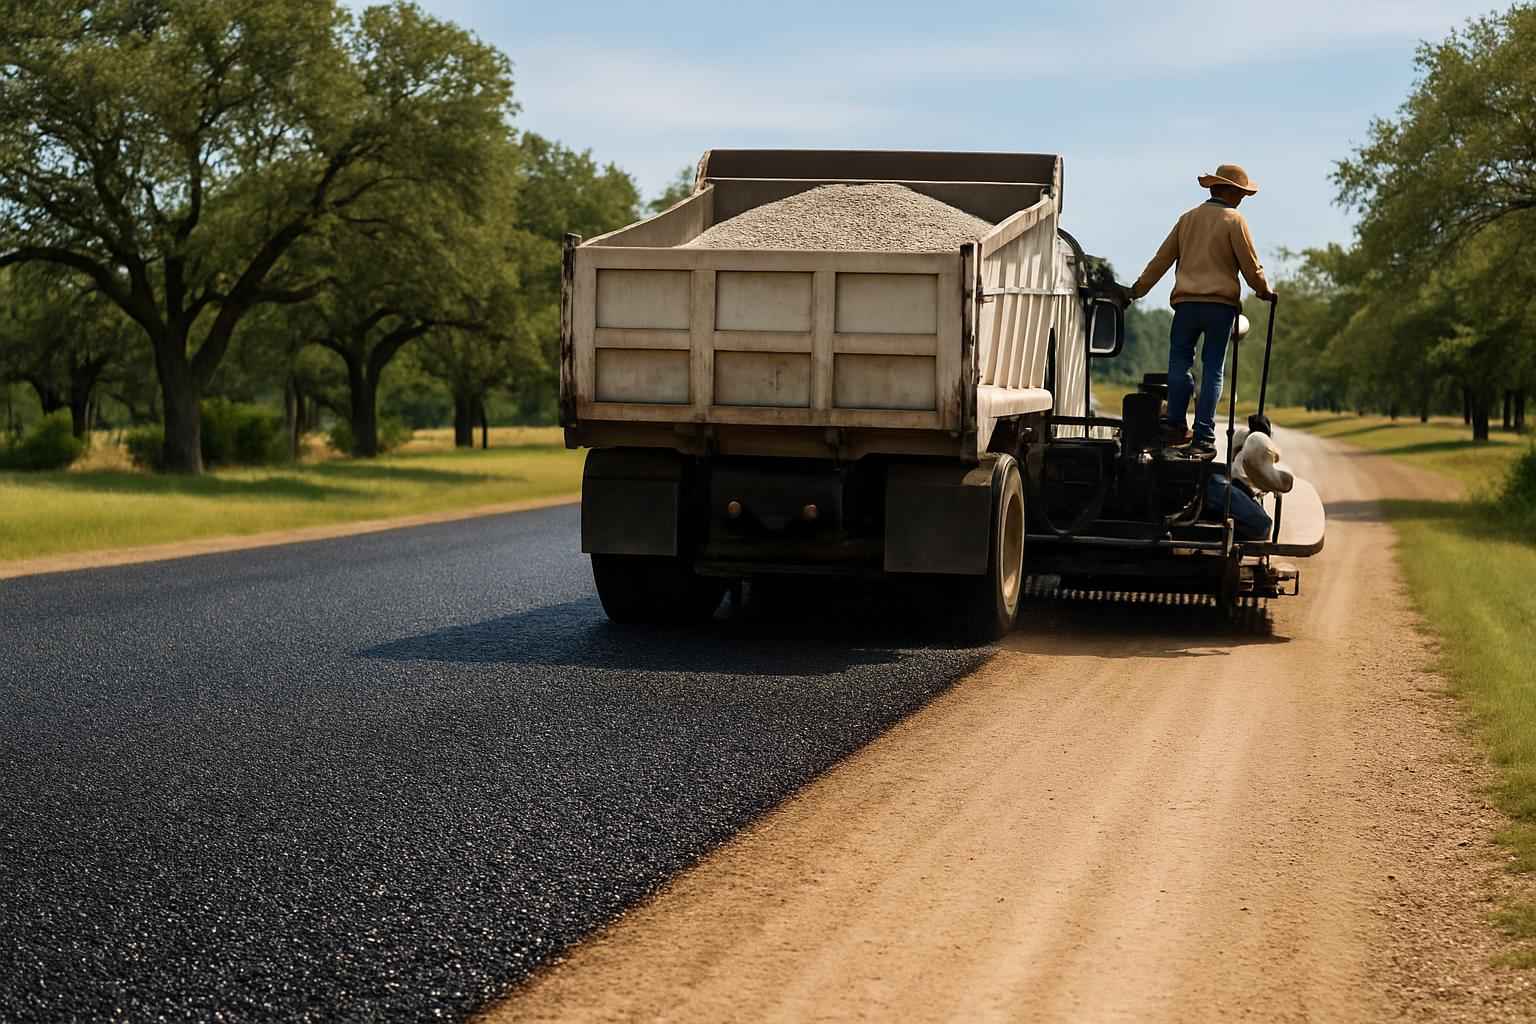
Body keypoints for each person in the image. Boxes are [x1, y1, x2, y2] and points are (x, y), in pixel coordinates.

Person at [1125, 164, 1276, 459]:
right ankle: (1204, 435)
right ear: (1227, 190)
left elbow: (1161, 260)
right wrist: (1263, 290)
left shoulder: (1187, 219)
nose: (1242, 199)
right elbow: (1250, 265)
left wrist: (1137, 290)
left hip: (1186, 306)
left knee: (1179, 364)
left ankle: (1175, 424)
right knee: (1213, 368)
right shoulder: (1234, 220)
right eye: (1240, 193)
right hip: (1220, 307)